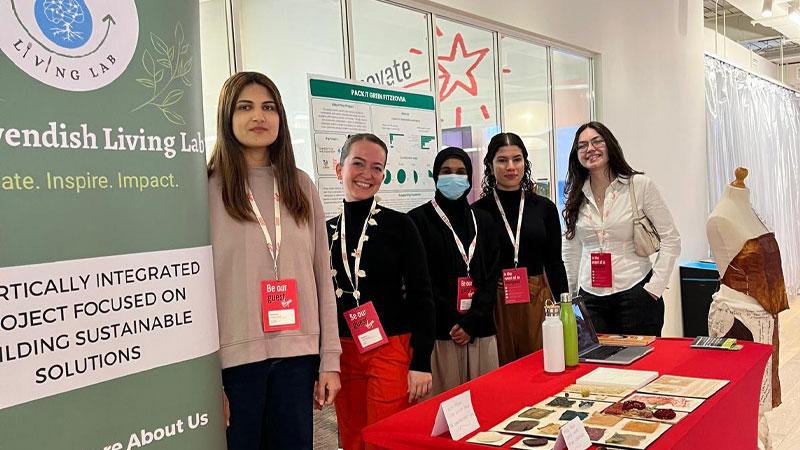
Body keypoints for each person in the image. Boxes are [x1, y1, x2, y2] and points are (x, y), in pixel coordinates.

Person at [207, 71, 341, 450]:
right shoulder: (207, 189)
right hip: (233, 364)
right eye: (245, 107)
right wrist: (205, 380)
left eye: (268, 107)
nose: (259, 117)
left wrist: (329, 359)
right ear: (227, 118)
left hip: (298, 359)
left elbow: (321, 280)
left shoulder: (300, 186)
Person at [327, 133, 435, 450]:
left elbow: (422, 295)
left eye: (377, 168)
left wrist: (422, 362)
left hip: (390, 347)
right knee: (352, 438)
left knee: (384, 439)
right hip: (342, 351)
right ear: (339, 169)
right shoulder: (326, 231)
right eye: (358, 163)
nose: (367, 174)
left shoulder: (401, 226)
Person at [562, 122, 680, 336]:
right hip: (590, 297)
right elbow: (571, 250)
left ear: (610, 145)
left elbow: (671, 239)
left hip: (635, 292)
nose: (590, 149)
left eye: (597, 141)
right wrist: (572, 297)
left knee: (642, 366)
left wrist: (655, 288)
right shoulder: (576, 195)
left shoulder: (639, 186)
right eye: (582, 145)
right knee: (598, 366)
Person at [408, 147, 501, 395]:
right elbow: (421, 283)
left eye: (461, 172)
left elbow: (492, 277)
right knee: (444, 410)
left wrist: (472, 321)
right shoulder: (416, 221)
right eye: (446, 171)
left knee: (486, 404)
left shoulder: (484, 220)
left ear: (469, 178)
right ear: (435, 176)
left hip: (480, 331)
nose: (453, 177)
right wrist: (454, 322)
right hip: (440, 334)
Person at [473, 132, 568, 365]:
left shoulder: (544, 208)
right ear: (490, 164)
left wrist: (566, 308)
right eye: (502, 160)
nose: (511, 167)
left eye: (517, 159)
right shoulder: (478, 211)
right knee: (501, 368)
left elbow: (554, 263)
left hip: (538, 297)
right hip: (495, 298)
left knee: (541, 365)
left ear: (525, 162)